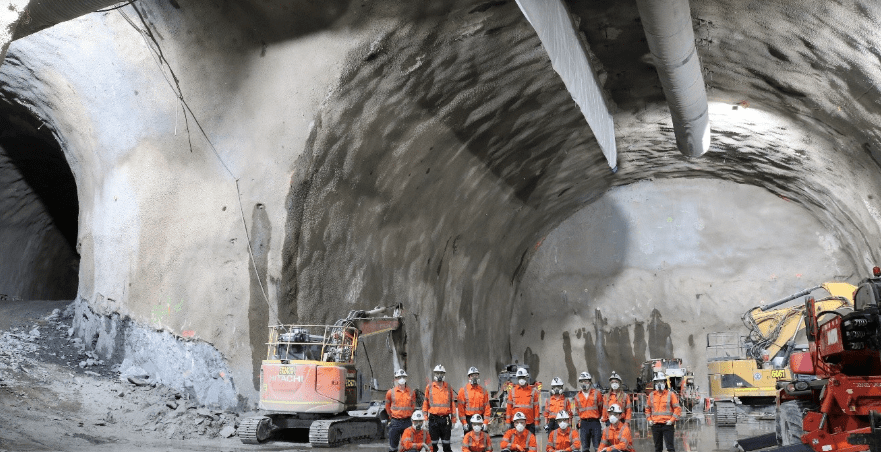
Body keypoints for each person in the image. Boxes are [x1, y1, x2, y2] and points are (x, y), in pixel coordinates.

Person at [424, 364, 457, 452]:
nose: (439, 375)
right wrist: (425, 419)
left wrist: (453, 420)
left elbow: (452, 404)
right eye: (437, 373)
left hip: (445, 420)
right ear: (434, 374)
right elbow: (425, 404)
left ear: (444, 374)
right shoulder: (429, 387)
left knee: (446, 444)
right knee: (432, 445)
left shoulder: (448, 387)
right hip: (433, 420)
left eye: (441, 373)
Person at [645, 372, 682, 452]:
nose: (659, 384)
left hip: (667, 424)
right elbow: (647, 408)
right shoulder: (651, 395)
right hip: (655, 425)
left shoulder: (670, 394)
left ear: (665, 382)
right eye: (657, 382)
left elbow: (677, 408)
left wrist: (671, 420)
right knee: (657, 448)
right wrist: (649, 420)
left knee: (670, 448)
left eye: (661, 381)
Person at [387, 369, 417, 452]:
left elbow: (413, 405)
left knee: (409, 447)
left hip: (407, 422)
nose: (401, 379)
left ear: (406, 378)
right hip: (395, 422)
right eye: (399, 377)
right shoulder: (390, 392)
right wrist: (391, 417)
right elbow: (387, 406)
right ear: (396, 379)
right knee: (393, 447)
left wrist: (409, 414)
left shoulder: (411, 392)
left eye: (403, 377)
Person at [573, 371, 603, 452]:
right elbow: (577, 411)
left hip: (595, 423)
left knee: (598, 447)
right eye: (582, 381)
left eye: (585, 381)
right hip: (584, 424)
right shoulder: (577, 396)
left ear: (590, 382)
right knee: (585, 448)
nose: (584, 383)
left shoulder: (597, 393)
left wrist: (597, 417)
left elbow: (601, 408)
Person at [505, 367, 540, 434]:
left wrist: (536, 423)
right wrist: (508, 422)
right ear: (517, 378)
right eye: (519, 377)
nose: (521, 379)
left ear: (527, 377)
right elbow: (509, 408)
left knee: (530, 440)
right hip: (515, 422)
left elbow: (536, 408)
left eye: (523, 377)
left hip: (529, 423)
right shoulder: (512, 391)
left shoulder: (533, 391)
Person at [458, 367, 492, 433]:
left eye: (476, 375)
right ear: (469, 377)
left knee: (483, 438)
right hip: (469, 420)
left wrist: (485, 422)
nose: (474, 377)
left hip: (480, 419)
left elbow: (487, 408)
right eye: (472, 375)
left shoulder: (483, 391)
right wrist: (464, 423)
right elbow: (461, 409)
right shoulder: (463, 391)